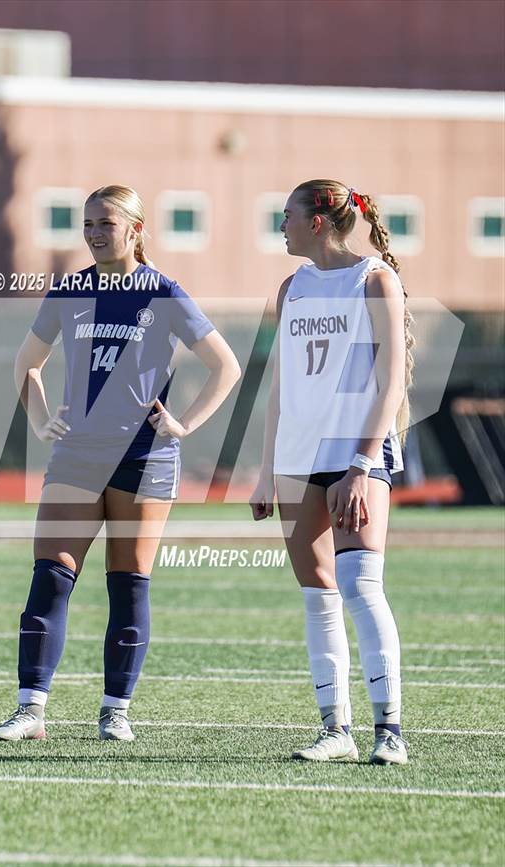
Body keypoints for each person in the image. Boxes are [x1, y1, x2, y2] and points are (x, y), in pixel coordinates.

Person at [0, 184, 241, 742]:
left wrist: (185, 424)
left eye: (106, 223)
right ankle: (31, 711)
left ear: (135, 229)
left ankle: (115, 711)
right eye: (88, 224)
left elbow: (226, 366)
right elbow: (26, 364)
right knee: (50, 579)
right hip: (77, 455)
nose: (95, 233)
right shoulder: (69, 290)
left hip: (144, 458)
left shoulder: (164, 293)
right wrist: (39, 419)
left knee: (128, 584)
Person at [250, 179, 414, 765]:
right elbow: (280, 385)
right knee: (317, 594)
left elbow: (392, 381)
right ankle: (334, 730)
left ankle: (388, 730)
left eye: (287, 215)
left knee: (361, 585)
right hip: (296, 459)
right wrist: (265, 469)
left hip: (355, 456)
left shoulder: (374, 279)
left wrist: (361, 464)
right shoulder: (291, 287)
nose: (282, 225)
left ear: (318, 222)